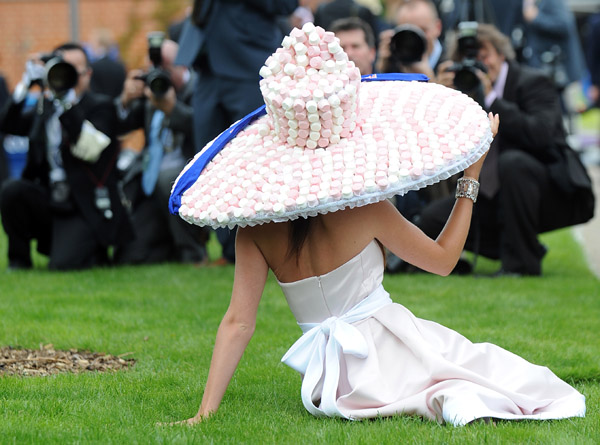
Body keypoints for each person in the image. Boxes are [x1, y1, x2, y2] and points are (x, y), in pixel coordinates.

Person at [166, 24, 585, 426]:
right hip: (387, 350)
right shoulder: (366, 209)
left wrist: (206, 412)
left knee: (467, 368)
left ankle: (448, 398)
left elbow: (238, 322)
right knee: (486, 370)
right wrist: (470, 179)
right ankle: (453, 401)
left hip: (326, 380)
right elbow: (442, 261)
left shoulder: (255, 227)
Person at [420, 23, 595, 276]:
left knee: (513, 163)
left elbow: (543, 135)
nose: (479, 65)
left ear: (501, 54)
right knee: (432, 219)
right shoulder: (462, 94)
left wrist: (492, 99)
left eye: (484, 56)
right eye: (469, 59)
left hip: (550, 188)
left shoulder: (533, 81)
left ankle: (522, 265)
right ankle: (518, 247)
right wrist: (442, 98)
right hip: (495, 195)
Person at [175, 0, 299, 265]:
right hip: (206, 67)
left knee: (253, 159)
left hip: (248, 64)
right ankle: (228, 249)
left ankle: (266, 247)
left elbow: (287, 5)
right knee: (210, 159)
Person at [0, 43, 133, 270]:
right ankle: (19, 261)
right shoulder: (46, 107)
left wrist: (66, 102)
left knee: (64, 264)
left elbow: (90, 149)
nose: (65, 75)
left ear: (87, 74)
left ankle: (89, 248)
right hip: (50, 195)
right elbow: (8, 125)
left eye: (72, 69)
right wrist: (26, 84)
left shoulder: (101, 107)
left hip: (83, 203)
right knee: (12, 190)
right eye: (60, 69)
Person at [114, 38, 208, 265]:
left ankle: (193, 251)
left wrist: (172, 109)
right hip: (149, 179)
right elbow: (120, 127)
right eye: (153, 68)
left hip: (189, 177)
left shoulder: (199, 88)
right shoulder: (150, 93)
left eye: (165, 66)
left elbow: (205, 131)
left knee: (169, 180)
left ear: (182, 65)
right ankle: (166, 244)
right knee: (131, 256)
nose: (158, 74)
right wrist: (125, 100)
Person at [376, 0, 445, 79]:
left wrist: (430, 80)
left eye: (422, 30)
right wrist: (382, 71)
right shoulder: (393, 60)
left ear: (438, 27)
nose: (415, 38)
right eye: (409, 33)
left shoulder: (452, 60)